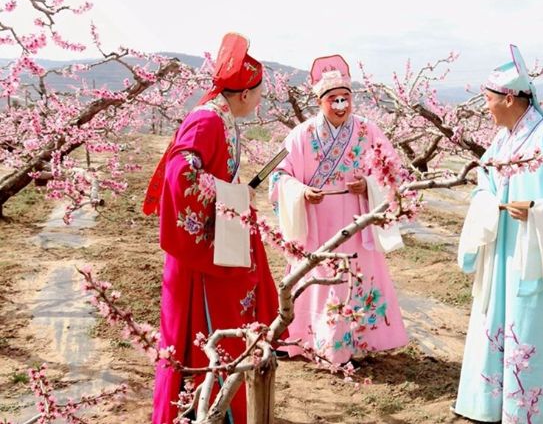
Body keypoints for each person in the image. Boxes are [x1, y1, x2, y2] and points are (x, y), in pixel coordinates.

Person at [452, 45, 543, 423]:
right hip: (501, 249)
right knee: (493, 323)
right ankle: (489, 404)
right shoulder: (501, 141)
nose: (486, 107)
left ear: (509, 98)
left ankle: (531, 412)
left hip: (536, 252)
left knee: (531, 329)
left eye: (488, 99)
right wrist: (488, 204)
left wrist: (539, 210)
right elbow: (483, 185)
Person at [144, 32, 282, 424]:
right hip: (200, 252)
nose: (259, 101)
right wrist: (232, 195)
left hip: (218, 236)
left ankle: (212, 407)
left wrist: (232, 193)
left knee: (221, 328)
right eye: (259, 94)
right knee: (203, 330)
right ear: (244, 94)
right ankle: (197, 409)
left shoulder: (220, 117)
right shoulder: (207, 120)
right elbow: (182, 174)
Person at [268, 55, 408, 365]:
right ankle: (310, 340)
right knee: (319, 278)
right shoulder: (301, 135)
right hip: (316, 219)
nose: (341, 105)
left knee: (355, 277)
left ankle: (358, 342)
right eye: (334, 99)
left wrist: (369, 184)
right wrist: (301, 191)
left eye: (346, 98)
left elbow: (394, 170)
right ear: (320, 101)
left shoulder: (368, 130)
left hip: (356, 219)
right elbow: (279, 176)